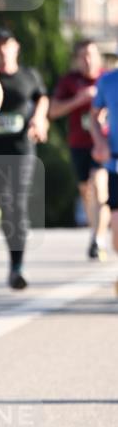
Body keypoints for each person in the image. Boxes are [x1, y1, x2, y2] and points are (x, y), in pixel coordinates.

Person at [0, 29, 49, 289]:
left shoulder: (28, 75)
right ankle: (14, 261)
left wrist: (39, 118)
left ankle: (17, 267)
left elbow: (42, 97)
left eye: (6, 44)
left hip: (23, 150)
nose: (2, 50)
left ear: (16, 47)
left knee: (17, 203)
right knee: (6, 205)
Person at [50, 40, 110, 259]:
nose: (87, 60)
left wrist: (104, 111)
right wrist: (79, 99)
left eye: (91, 55)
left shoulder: (108, 79)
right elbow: (53, 111)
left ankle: (99, 239)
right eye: (83, 56)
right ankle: (95, 231)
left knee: (99, 185)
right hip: (79, 144)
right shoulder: (69, 81)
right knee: (86, 191)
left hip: (103, 144)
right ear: (76, 59)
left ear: (99, 57)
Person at [89, 68, 118, 290]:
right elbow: (94, 117)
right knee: (116, 224)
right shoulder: (107, 81)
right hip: (115, 162)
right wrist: (100, 141)